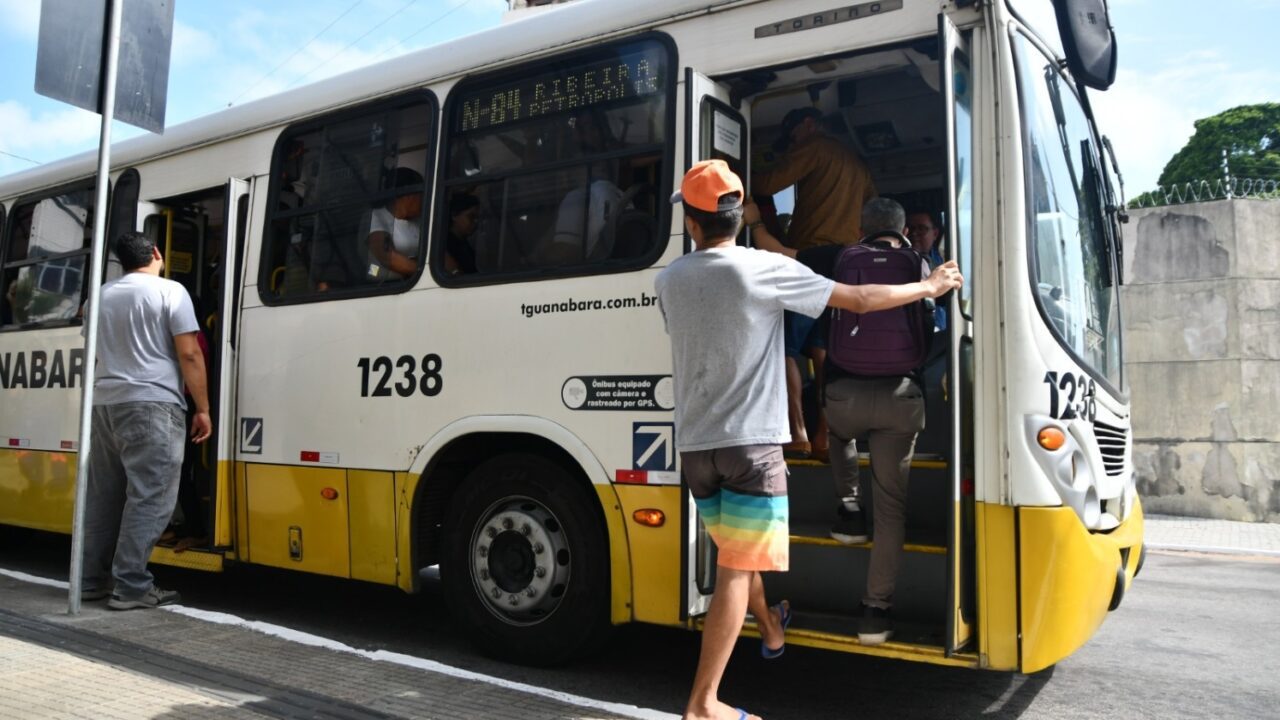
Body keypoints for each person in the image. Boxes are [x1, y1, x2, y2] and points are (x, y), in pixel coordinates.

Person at [658, 162, 961, 720]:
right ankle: (703, 705)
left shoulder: (670, 278)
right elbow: (860, 300)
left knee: (737, 557)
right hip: (750, 448)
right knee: (735, 569)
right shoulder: (763, 268)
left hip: (697, 447)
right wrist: (929, 285)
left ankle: (772, 629)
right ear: (738, 212)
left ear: (693, 224)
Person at [746, 197, 956, 646]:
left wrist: (757, 220)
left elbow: (775, 251)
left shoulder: (839, 255)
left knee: (838, 433)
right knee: (893, 507)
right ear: (902, 230)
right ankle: (875, 614)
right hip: (903, 398)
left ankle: (848, 509)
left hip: (844, 395)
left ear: (861, 228)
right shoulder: (925, 266)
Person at [81, 231, 212, 610]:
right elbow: (189, 353)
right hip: (153, 404)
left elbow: (93, 354)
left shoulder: (99, 297)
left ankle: (91, 582)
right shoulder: (170, 291)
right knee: (151, 497)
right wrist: (202, 408)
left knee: (105, 497)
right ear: (156, 253)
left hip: (105, 405)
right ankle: (132, 586)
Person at [752, 107, 878, 461]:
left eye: (793, 135)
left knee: (784, 346)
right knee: (823, 350)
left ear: (808, 124)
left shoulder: (816, 146)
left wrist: (744, 175)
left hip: (808, 260)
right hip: (844, 262)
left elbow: (768, 184)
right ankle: (824, 435)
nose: (792, 144)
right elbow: (872, 204)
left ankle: (797, 432)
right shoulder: (856, 163)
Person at [367, 167, 425, 281]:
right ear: (409, 196)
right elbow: (385, 255)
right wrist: (424, 271)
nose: (424, 201)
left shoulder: (418, 221)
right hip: (383, 287)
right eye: (421, 195)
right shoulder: (376, 216)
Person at [906, 208, 947, 331]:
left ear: (935, 233)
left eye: (921, 229)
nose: (914, 233)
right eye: (911, 229)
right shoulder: (897, 263)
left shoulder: (943, 261)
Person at [444, 192, 480, 275]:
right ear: (454, 215)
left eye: (477, 218)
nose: (476, 222)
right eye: (471, 216)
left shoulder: (464, 244)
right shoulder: (444, 244)